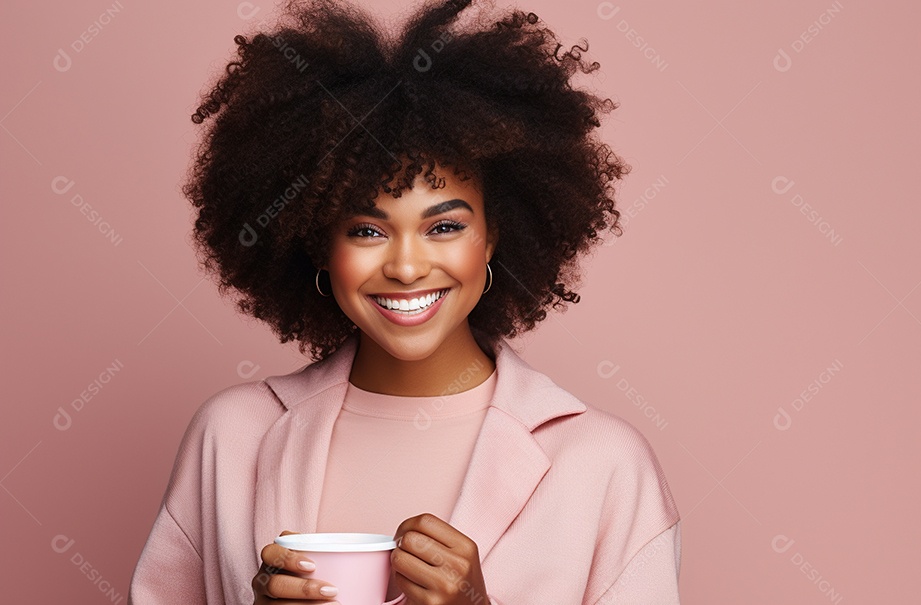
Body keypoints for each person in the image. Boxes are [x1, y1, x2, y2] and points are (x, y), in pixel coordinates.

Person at [128, 0, 681, 603]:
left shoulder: (603, 465)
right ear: (315, 242)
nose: (407, 267)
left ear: (495, 235)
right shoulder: (231, 437)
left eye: (444, 227)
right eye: (366, 230)